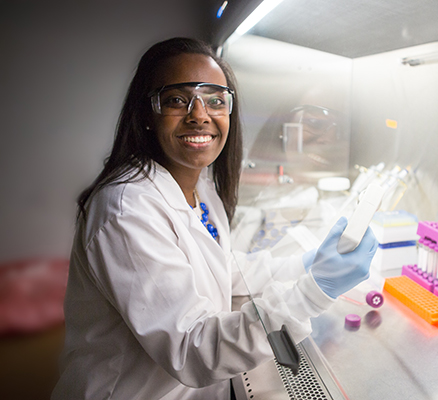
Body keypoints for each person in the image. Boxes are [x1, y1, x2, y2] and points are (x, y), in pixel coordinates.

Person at [52, 37, 378, 400]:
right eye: (177, 100)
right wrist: (314, 291)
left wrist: (304, 265)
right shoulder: (127, 210)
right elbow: (194, 349)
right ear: (146, 113)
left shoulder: (200, 186)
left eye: (215, 100)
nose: (199, 114)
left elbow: (223, 271)